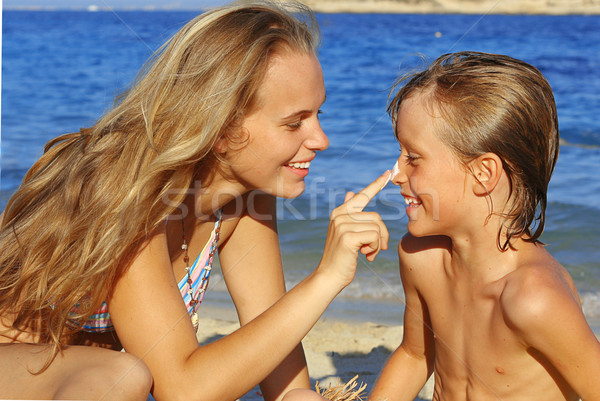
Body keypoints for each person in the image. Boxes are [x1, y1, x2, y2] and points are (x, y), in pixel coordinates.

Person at [0, 2, 391, 400]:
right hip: (21, 367)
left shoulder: (244, 197)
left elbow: (274, 345)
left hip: (81, 380)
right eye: (295, 122)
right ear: (220, 129)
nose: (321, 139)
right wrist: (325, 278)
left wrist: (299, 395)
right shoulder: (127, 193)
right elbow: (183, 389)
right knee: (121, 374)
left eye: (318, 115)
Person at [368, 52, 600, 401]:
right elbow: (415, 356)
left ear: (483, 173)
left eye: (412, 158)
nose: (396, 174)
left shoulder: (533, 297)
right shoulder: (420, 259)